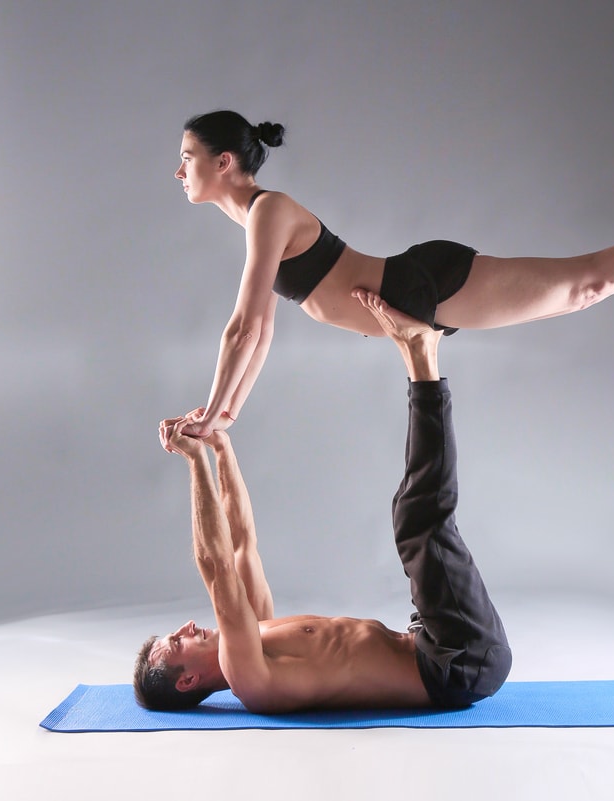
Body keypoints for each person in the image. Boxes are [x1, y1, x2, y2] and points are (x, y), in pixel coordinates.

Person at [172, 110, 614, 437]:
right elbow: (256, 335)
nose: (180, 171)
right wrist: (225, 412)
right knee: (586, 286)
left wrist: (220, 412)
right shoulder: (259, 217)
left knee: (589, 282)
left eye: (188, 157)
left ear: (225, 161)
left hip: (421, 285)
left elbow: (247, 326)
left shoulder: (269, 211)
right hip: (413, 297)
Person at [134, 290, 511, 712]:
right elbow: (215, 563)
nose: (186, 627)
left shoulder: (254, 632)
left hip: (431, 640)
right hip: (458, 665)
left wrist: (221, 448)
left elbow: (241, 544)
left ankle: (421, 352)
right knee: (418, 522)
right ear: (187, 680)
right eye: (177, 642)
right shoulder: (247, 675)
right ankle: (422, 354)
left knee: (410, 509)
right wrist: (193, 458)